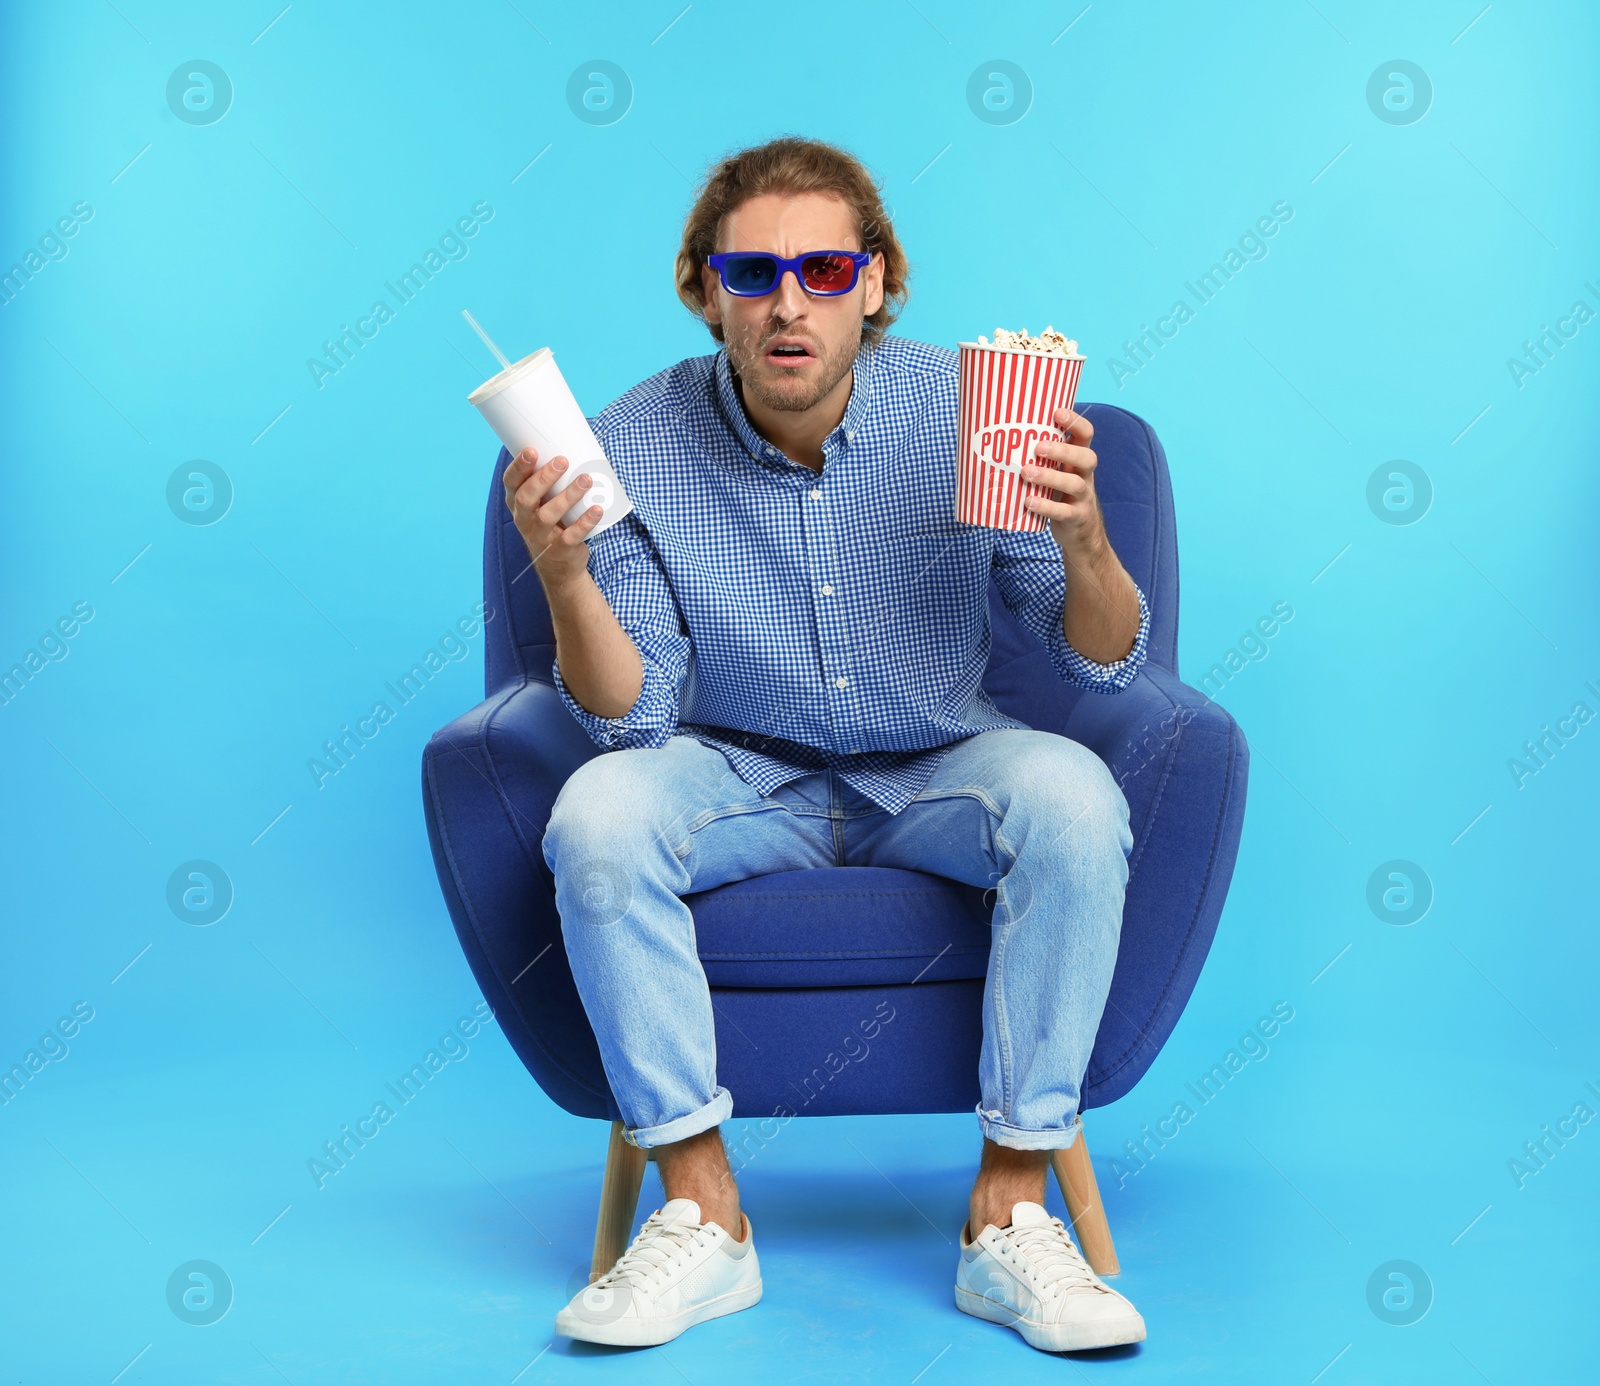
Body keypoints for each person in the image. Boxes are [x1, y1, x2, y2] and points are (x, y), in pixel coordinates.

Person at [504, 136, 1151, 1355]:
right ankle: (701, 1216)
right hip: (738, 769)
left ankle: (1011, 1213)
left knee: (1073, 795)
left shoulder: (972, 410)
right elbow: (630, 716)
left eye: (822, 267)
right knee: (597, 810)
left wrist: (1082, 536)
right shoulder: (627, 441)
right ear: (705, 291)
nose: (788, 302)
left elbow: (1100, 659)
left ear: (877, 281)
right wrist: (563, 573)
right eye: (752, 275)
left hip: (939, 763)